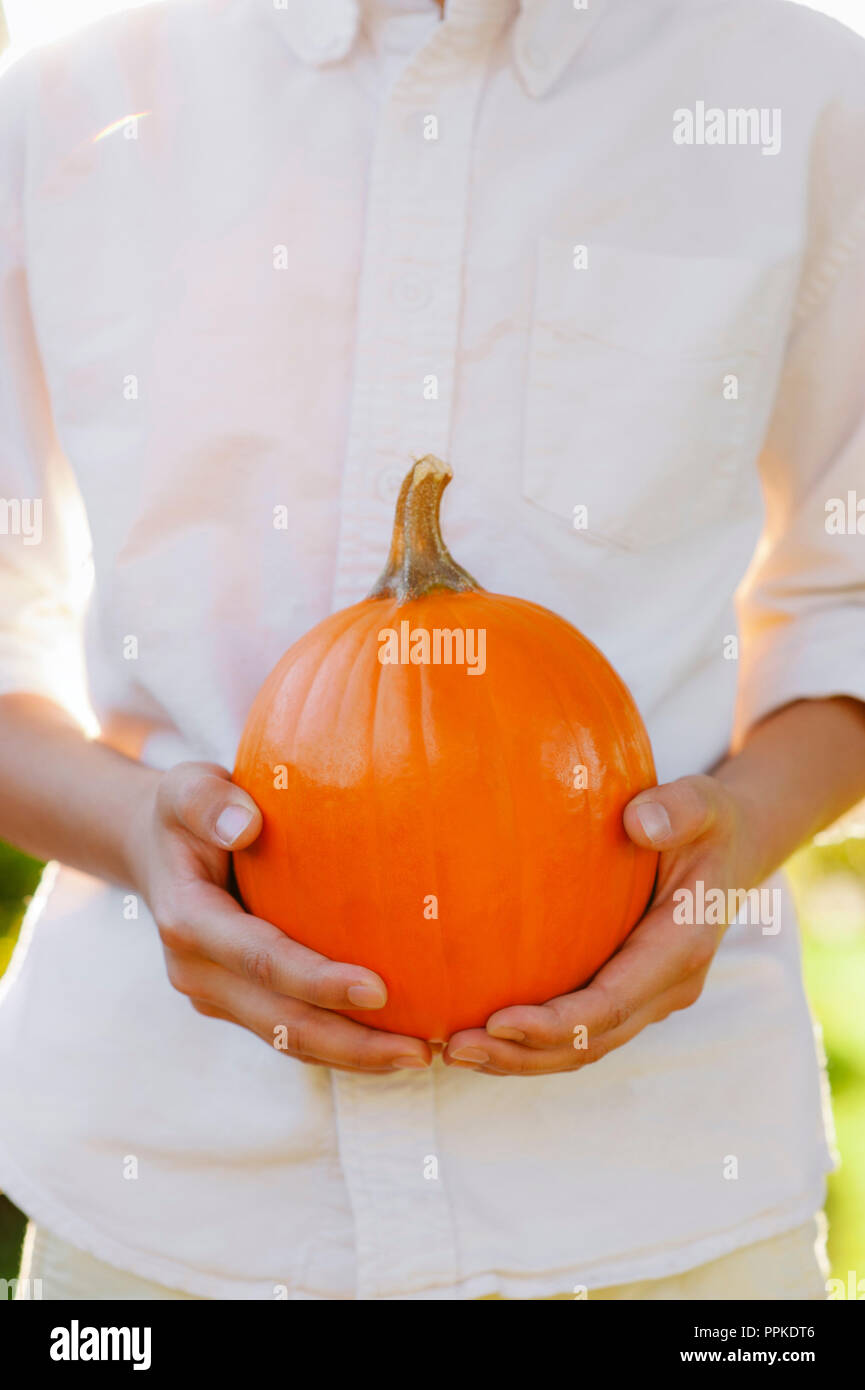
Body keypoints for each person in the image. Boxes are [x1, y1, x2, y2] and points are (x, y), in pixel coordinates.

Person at [1, 0, 864, 1302]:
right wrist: (133, 831)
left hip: (668, 1214)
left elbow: (846, 610)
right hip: (174, 1211)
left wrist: (732, 836)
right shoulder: (62, 107)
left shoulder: (799, 93)